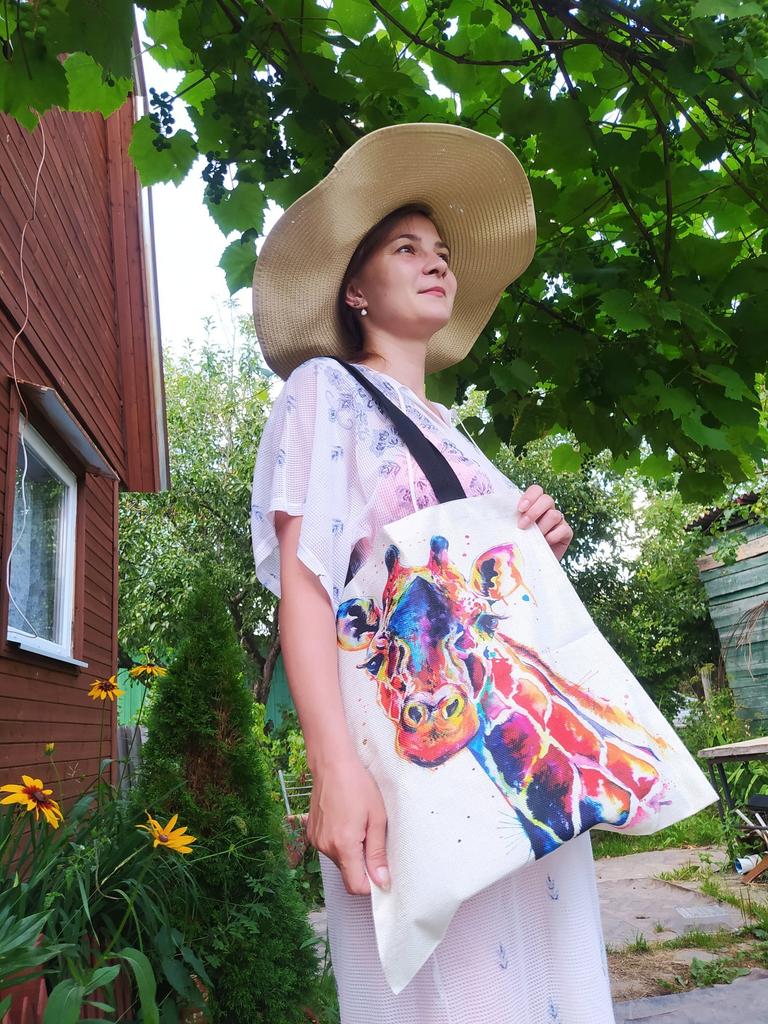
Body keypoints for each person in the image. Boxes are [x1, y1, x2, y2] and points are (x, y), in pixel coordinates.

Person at [250, 124, 616, 1023]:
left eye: (442, 250)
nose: (436, 261)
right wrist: (333, 768)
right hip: (411, 750)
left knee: (546, 986)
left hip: (508, 762)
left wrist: (538, 540)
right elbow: (308, 585)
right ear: (356, 289)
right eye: (405, 248)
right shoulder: (327, 392)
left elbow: (487, 594)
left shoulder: (459, 440)